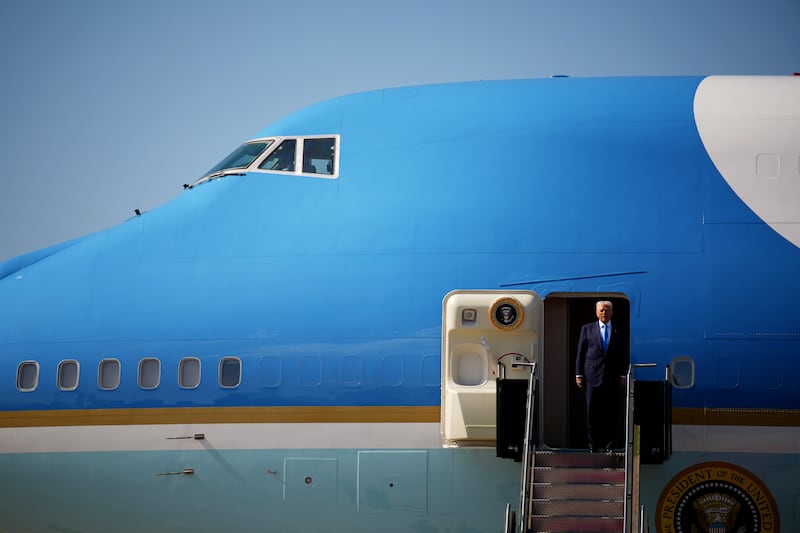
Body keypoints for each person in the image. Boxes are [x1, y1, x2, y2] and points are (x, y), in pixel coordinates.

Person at [575, 300, 629, 452]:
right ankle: (593, 445)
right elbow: (581, 353)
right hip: (592, 376)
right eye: (601, 310)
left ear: (612, 312)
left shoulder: (620, 329)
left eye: (606, 310)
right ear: (596, 312)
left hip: (612, 378)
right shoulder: (587, 329)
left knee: (611, 412)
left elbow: (624, 354)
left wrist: (623, 375)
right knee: (592, 413)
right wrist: (578, 374)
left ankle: (610, 445)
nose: (604, 313)